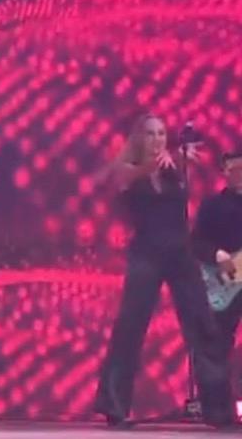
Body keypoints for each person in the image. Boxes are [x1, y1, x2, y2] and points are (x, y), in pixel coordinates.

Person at [93, 115, 236, 428]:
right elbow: (129, 176)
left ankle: (218, 410)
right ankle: (114, 406)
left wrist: (181, 163)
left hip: (180, 253)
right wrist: (157, 164)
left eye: (161, 133)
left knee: (204, 327)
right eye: (150, 133)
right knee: (130, 327)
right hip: (146, 253)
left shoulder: (173, 168)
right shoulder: (128, 169)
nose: (157, 139)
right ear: (138, 138)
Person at [192, 151, 242, 372]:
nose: (239, 175)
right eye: (234, 170)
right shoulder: (212, 205)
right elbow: (196, 242)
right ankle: (215, 391)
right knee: (217, 347)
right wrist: (217, 254)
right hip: (223, 284)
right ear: (224, 172)